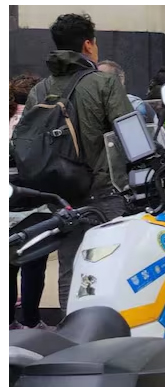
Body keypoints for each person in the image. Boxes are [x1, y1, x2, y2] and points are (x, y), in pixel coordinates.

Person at [23, 13, 133, 311]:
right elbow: (133, 141)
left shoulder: (39, 90)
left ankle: (72, 337)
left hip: (62, 197)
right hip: (104, 193)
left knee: (70, 268)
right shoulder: (104, 84)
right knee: (112, 265)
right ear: (88, 45)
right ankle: (111, 341)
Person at [9, 74, 50, 330]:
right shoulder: (43, 118)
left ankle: (8, 323)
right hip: (36, 204)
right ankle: (32, 321)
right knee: (34, 266)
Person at [97, 60, 158, 125]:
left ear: (121, 79)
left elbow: (152, 132)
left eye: (104, 80)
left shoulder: (138, 106)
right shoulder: (93, 108)